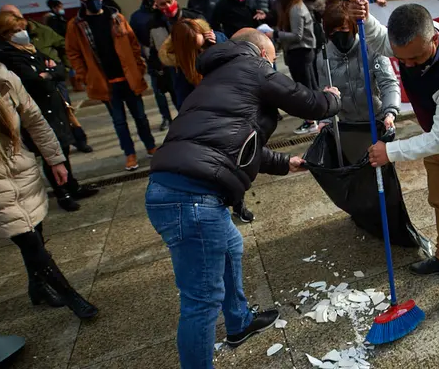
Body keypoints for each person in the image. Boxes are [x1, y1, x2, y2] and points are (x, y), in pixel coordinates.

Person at [145, 28, 341, 368]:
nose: (274, 64)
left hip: (182, 189)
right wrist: (331, 99)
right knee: (201, 301)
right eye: (273, 58)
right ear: (263, 52)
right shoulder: (254, 66)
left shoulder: (217, 77)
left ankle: (238, 323)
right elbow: (306, 101)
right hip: (192, 197)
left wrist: (284, 163)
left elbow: (234, 143)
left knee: (232, 245)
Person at [348, 0, 439, 312]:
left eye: (416, 58)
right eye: (404, 59)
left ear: (432, 38)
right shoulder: (410, 42)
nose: (409, 65)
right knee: (438, 202)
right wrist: (367, 18)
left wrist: (391, 151)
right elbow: (379, 40)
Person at [0, 45, 98, 319]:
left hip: (21, 169)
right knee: (28, 240)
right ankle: (72, 297)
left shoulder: (3, 80)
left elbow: (34, 119)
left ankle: (36, 285)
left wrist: (55, 159)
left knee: (34, 232)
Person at [0, 11, 99, 212]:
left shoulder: (28, 49)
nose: (22, 33)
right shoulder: (5, 55)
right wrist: (46, 74)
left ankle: (71, 184)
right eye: (16, 30)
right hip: (37, 110)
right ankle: (62, 192)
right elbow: (31, 79)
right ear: (4, 33)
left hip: (53, 106)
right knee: (50, 152)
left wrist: (48, 73)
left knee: (62, 149)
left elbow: (57, 69)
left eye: (23, 29)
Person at [65, 0, 156, 171]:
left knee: (140, 117)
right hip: (105, 82)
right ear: (81, 0)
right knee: (119, 122)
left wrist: (139, 68)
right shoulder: (77, 25)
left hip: (129, 79)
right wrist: (84, 75)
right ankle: (129, 154)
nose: (92, 0)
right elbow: (73, 53)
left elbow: (133, 44)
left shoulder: (116, 17)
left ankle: (151, 147)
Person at [0, 5, 92, 153]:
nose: (20, 31)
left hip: (55, 83)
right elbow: (33, 78)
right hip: (36, 95)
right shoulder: (6, 52)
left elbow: (63, 47)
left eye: (17, 16)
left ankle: (78, 141)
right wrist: (49, 72)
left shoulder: (40, 31)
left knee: (66, 113)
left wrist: (61, 68)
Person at [316, 1, 400, 162]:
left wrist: (390, 113)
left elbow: (388, 82)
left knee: (381, 169)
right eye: (333, 31)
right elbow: (324, 93)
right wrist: (325, 120)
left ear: (353, 27)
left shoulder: (371, 48)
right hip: (349, 126)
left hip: (377, 121)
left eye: (343, 29)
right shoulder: (323, 57)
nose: (338, 34)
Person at [272, 0, 319, 135]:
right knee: (309, 87)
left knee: (305, 89)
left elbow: (297, 35)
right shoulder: (297, 6)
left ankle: (311, 121)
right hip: (302, 52)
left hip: (300, 52)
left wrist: (276, 35)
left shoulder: (296, 9)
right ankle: (315, 119)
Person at [148, 0, 208, 109]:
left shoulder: (194, 18)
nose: (168, 7)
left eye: (169, 1)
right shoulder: (154, 25)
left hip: (200, 68)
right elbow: (154, 51)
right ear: (157, 6)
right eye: (162, 4)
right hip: (176, 73)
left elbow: (210, 40)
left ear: (176, 0)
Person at [129, 0, 175, 131]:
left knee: (176, 91)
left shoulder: (163, 11)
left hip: (171, 59)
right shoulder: (136, 17)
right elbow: (135, 39)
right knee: (159, 93)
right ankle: (166, 118)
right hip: (153, 61)